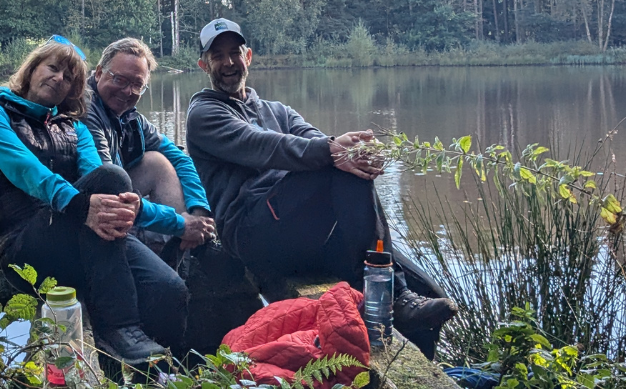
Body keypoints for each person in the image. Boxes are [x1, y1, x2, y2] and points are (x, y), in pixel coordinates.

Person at [185, 18, 456, 335]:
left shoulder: (279, 110)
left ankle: (418, 339)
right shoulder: (204, 114)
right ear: (204, 65)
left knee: (430, 292)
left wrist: (357, 148)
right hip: (252, 234)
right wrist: (336, 150)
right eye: (218, 55)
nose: (228, 62)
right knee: (338, 163)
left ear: (249, 57)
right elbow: (268, 146)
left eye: (235, 52)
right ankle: (391, 294)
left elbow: (318, 140)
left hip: (304, 232)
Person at [0, 36, 188, 364]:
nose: (59, 79)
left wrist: (147, 213)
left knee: (168, 287)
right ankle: (119, 326)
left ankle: (146, 379)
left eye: (69, 77)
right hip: (23, 244)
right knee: (113, 179)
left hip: (77, 231)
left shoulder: (74, 127)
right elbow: (26, 171)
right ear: (31, 70)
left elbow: (98, 175)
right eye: (52, 68)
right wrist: (82, 206)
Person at [86, 37, 216, 253]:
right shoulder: (86, 111)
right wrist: (180, 224)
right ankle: (175, 245)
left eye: (137, 85)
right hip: (88, 210)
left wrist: (199, 210)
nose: (128, 91)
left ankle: (179, 247)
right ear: (99, 72)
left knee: (156, 162)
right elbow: (108, 187)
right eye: (119, 80)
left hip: (121, 198)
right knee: (126, 175)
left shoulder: (130, 117)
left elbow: (180, 158)